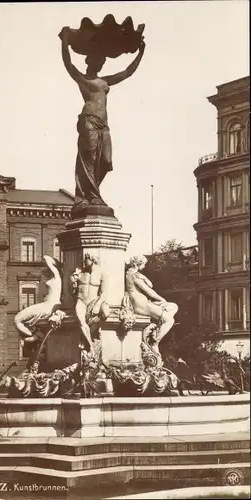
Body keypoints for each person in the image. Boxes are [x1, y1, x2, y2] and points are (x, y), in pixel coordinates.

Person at [60, 27, 146, 211]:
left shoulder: (105, 81)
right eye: (97, 61)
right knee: (89, 160)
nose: (100, 64)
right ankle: (89, 197)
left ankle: (91, 193)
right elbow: (68, 64)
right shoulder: (82, 79)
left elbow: (127, 72)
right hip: (89, 121)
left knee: (105, 161)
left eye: (101, 62)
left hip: (103, 125)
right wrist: (64, 42)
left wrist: (141, 53)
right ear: (90, 62)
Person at [125, 255, 178, 343]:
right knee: (169, 320)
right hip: (140, 304)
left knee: (173, 306)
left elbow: (150, 285)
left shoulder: (133, 273)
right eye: (144, 264)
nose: (145, 266)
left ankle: (156, 328)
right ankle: (154, 342)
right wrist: (162, 299)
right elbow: (149, 290)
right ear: (139, 264)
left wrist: (144, 277)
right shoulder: (134, 275)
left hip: (143, 302)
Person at [14, 256, 62, 346]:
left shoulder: (57, 277)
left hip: (48, 306)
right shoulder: (54, 278)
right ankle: (35, 335)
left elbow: (47, 258)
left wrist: (47, 259)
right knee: (18, 320)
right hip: (48, 306)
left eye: (48, 266)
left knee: (17, 319)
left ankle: (35, 335)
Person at [70, 253, 110, 351]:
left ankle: (86, 335)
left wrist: (98, 304)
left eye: (86, 259)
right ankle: (91, 346)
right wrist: (73, 282)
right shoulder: (80, 273)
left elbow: (104, 293)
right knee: (81, 321)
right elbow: (72, 293)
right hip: (81, 301)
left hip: (94, 301)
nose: (84, 261)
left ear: (92, 259)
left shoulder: (102, 274)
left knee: (106, 313)